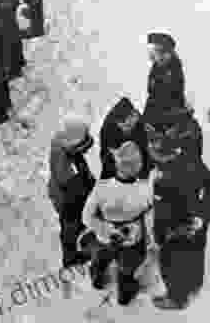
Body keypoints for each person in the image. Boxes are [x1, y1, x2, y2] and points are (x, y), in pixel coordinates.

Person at [148, 128, 210, 310]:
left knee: (174, 261)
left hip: (182, 225)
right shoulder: (181, 162)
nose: (157, 161)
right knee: (189, 258)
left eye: (159, 157)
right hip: (178, 225)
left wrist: (202, 215)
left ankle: (177, 299)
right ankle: (192, 286)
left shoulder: (188, 166)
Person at [82, 141, 152, 305]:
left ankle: (97, 279)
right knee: (126, 271)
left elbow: (86, 217)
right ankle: (124, 295)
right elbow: (150, 214)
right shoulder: (145, 189)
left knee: (100, 260)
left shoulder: (101, 188)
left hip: (105, 238)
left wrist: (107, 230)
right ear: (138, 166)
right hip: (131, 241)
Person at [47, 114, 96, 268]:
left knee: (68, 230)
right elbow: (80, 196)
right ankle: (72, 259)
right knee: (72, 230)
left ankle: (70, 255)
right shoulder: (72, 176)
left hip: (60, 193)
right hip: (70, 203)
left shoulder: (59, 140)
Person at [99, 97, 151, 180]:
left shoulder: (141, 124)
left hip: (136, 153)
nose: (127, 127)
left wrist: (143, 176)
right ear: (117, 122)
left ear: (135, 115)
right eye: (124, 125)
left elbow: (145, 151)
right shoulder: (108, 129)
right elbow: (107, 153)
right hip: (115, 155)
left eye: (131, 121)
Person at [142, 32, 186, 124]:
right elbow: (150, 89)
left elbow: (169, 95)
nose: (151, 56)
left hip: (168, 114)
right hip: (154, 111)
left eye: (153, 52)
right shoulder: (156, 67)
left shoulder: (173, 69)